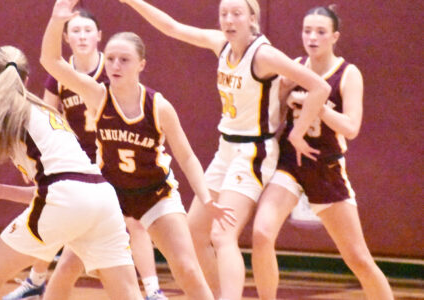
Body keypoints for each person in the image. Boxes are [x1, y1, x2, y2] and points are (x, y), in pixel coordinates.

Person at [118, 0, 331, 299]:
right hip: (226, 149)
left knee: (223, 234)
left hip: (253, 152)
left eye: (236, 14)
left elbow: (320, 87)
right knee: (194, 232)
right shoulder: (221, 44)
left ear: (252, 17)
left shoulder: (264, 55)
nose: (229, 20)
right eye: (224, 14)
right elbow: (171, 27)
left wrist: (296, 133)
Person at [40, 1, 236, 299]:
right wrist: (56, 21)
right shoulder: (97, 96)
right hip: (110, 195)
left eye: (125, 60)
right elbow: (51, 61)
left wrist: (206, 198)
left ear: (141, 65)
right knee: (68, 264)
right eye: (112, 60)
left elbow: (186, 156)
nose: (115, 66)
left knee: (187, 268)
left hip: (155, 193)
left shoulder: (159, 106)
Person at [0, 45, 144, 300]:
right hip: (103, 197)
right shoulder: (44, 110)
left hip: (66, 198)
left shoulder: (4, 109)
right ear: (26, 79)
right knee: (128, 293)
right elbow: (63, 184)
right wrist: (1, 191)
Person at [2, 8, 167, 300]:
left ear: (99, 36)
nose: (82, 36)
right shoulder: (61, 75)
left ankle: (153, 290)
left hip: (112, 157)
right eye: (75, 31)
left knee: (133, 222)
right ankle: (36, 280)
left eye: (87, 30)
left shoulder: (112, 69)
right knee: (58, 222)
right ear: (65, 37)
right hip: (76, 163)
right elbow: (45, 114)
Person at [251, 6, 394, 300]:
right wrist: (282, 94)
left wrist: (320, 106)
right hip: (290, 164)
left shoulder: (348, 73)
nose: (312, 37)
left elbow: (351, 128)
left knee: (359, 259)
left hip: (325, 168)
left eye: (320, 32)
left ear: (334, 37)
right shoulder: (295, 65)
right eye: (307, 31)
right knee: (262, 234)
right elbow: (273, 119)